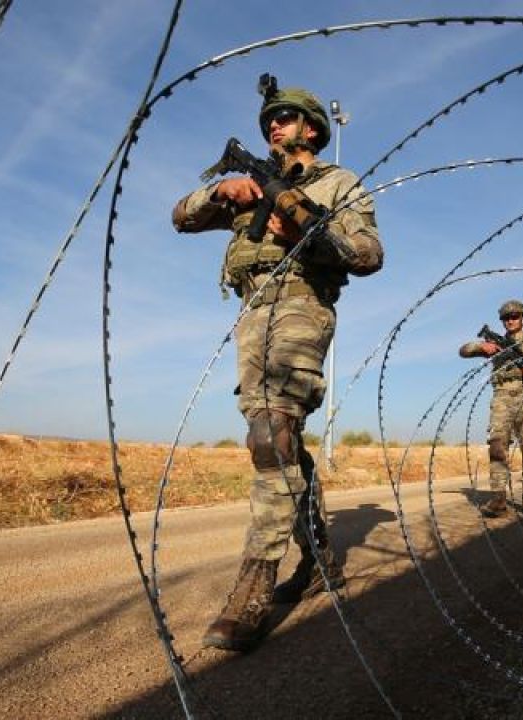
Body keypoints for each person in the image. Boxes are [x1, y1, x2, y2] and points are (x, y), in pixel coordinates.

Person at [171, 76, 383, 651]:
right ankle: (317, 561)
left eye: (285, 118)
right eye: (269, 120)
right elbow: (179, 216)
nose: (274, 126)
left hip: (302, 308)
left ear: (312, 128)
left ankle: (252, 589)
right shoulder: (252, 182)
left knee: (270, 436)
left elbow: (368, 254)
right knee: (280, 443)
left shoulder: (337, 181)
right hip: (254, 314)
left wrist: (305, 230)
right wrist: (226, 194)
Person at [458, 300, 523, 517]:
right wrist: (481, 347)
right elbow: (463, 351)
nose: (510, 320)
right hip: (502, 397)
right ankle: (498, 499)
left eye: (515, 316)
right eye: (506, 318)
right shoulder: (497, 342)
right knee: (497, 448)